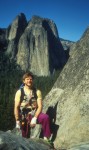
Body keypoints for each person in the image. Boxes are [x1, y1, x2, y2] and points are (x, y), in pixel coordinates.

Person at [14, 72, 51, 140]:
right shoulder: (19, 92)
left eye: (31, 79)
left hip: (33, 114)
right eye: (27, 79)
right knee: (24, 135)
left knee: (45, 117)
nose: (29, 81)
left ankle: (46, 138)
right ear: (24, 81)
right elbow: (16, 107)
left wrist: (35, 118)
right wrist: (17, 120)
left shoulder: (37, 92)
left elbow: (40, 106)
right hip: (23, 116)